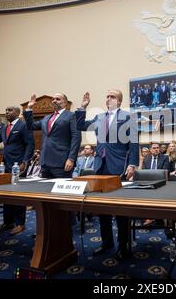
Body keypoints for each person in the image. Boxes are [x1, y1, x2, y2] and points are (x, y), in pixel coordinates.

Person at [76, 90, 139, 260]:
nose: (108, 98)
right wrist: (83, 108)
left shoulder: (128, 117)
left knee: (121, 210)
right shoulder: (98, 117)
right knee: (102, 208)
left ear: (119, 101)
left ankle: (123, 245)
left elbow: (134, 143)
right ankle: (107, 242)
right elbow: (80, 126)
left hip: (119, 166)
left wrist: (132, 164)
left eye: (112, 96)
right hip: (100, 166)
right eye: (107, 96)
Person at [0, 106, 34, 235]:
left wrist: (25, 162)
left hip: (18, 165)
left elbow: (30, 144)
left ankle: (20, 223)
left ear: (17, 112)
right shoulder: (5, 127)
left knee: (18, 195)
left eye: (9, 110)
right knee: (6, 194)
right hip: (6, 165)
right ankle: (8, 222)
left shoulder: (23, 126)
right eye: (5, 110)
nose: (6, 112)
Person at [24, 93, 80, 179]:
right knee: (45, 190)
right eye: (53, 99)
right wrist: (29, 108)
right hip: (45, 162)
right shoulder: (47, 118)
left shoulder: (71, 116)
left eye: (58, 99)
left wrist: (71, 159)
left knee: (60, 191)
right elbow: (30, 126)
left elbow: (76, 138)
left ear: (65, 102)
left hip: (62, 162)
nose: (54, 101)